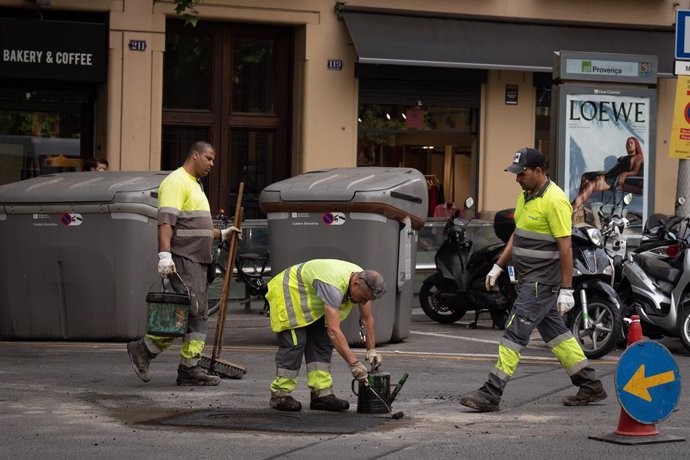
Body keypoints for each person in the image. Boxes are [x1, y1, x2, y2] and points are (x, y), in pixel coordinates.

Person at [458, 147, 607, 412]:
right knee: (558, 336)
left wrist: (566, 289)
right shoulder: (525, 196)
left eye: (522, 174)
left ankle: (492, 391)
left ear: (539, 172)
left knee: (515, 332)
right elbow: (518, 233)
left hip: (542, 282)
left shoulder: (555, 200)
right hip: (528, 280)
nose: (517, 179)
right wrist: (498, 266)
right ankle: (590, 384)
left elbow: (565, 246)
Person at [127, 141, 240, 386]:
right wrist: (164, 256)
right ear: (195, 155)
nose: (212, 163)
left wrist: (221, 234)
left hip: (197, 260)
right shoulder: (176, 182)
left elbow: (193, 227)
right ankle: (145, 350)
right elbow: (166, 224)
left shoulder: (195, 186)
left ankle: (189, 367)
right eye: (209, 158)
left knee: (197, 314)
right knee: (187, 312)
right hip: (183, 259)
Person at [266, 259, 386, 412]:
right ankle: (280, 394)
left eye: (367, 300)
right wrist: (354, 364)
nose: (363, 302)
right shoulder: (333, 286)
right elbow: (334, 331)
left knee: (322, 342)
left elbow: (367, 318)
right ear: (355, 284)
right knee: (295, 342)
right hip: (289, 292)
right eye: (363, 298)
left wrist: (371, 350)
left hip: (311, 299)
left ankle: (321, 394)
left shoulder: (363, 282)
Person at [571, 136, 643, 223]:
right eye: (627, 143)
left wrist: (626, 173)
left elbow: (635, 172)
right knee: (585, 177)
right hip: (608, 174)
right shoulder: (625, 157)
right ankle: (580, 209)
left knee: (590, 184)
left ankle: (573, 208)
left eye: (631, 143)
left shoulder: (638, 157)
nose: (629, 145)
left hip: (613, 178)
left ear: (636, 145)